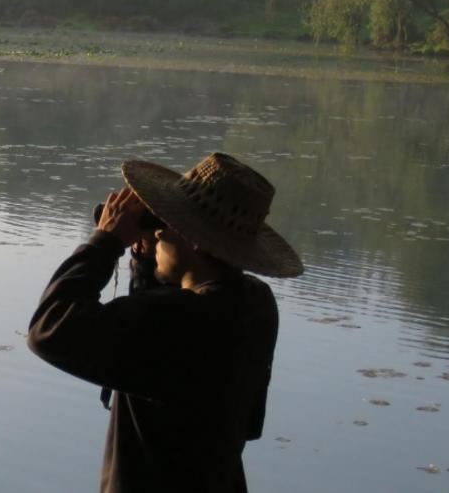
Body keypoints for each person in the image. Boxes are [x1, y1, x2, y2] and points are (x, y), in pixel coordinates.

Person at [27, 151, 304, 493]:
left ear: (195, 240)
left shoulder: (179, 319)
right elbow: (243, 422)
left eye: (167, 224)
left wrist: (105, 243)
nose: (157, 233)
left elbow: (49, 329)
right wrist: (147, 264)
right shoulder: (256, 303)